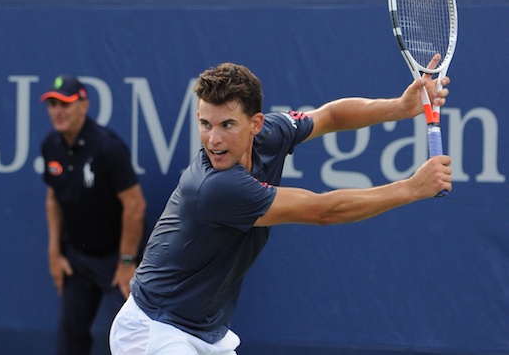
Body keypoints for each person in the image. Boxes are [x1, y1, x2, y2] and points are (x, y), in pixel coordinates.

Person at [109, 60, 452, 355]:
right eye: (205, 124)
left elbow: (330, 116)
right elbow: (324, 211)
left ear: (255, 125)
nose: (213, 139)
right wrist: (410, 188)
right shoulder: (215, 188)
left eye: (227, 125)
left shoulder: (271, 134)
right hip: (154, 330)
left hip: (205, 330)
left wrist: (400, 107)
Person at [40, 75, 147, 355]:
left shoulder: (108, 147)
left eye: (65, 103)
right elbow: (53, 199)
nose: (57, 111)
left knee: (128, 344)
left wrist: (126, 262)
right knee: (69, 343)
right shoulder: (50, 145)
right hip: (76, 260)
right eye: (52, 104)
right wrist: (55, 253)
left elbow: (135, 205)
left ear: (84, 105)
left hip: (116, 261)